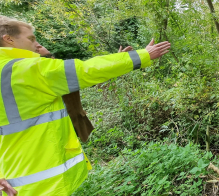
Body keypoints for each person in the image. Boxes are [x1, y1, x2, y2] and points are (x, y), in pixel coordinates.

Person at [0, 16, 170, 196]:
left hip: (13, 175)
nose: (37, 44)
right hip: (42, 182)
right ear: (9, 39)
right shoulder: (24, 70)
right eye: (31, 39)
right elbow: (85, 70)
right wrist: (142, 55)